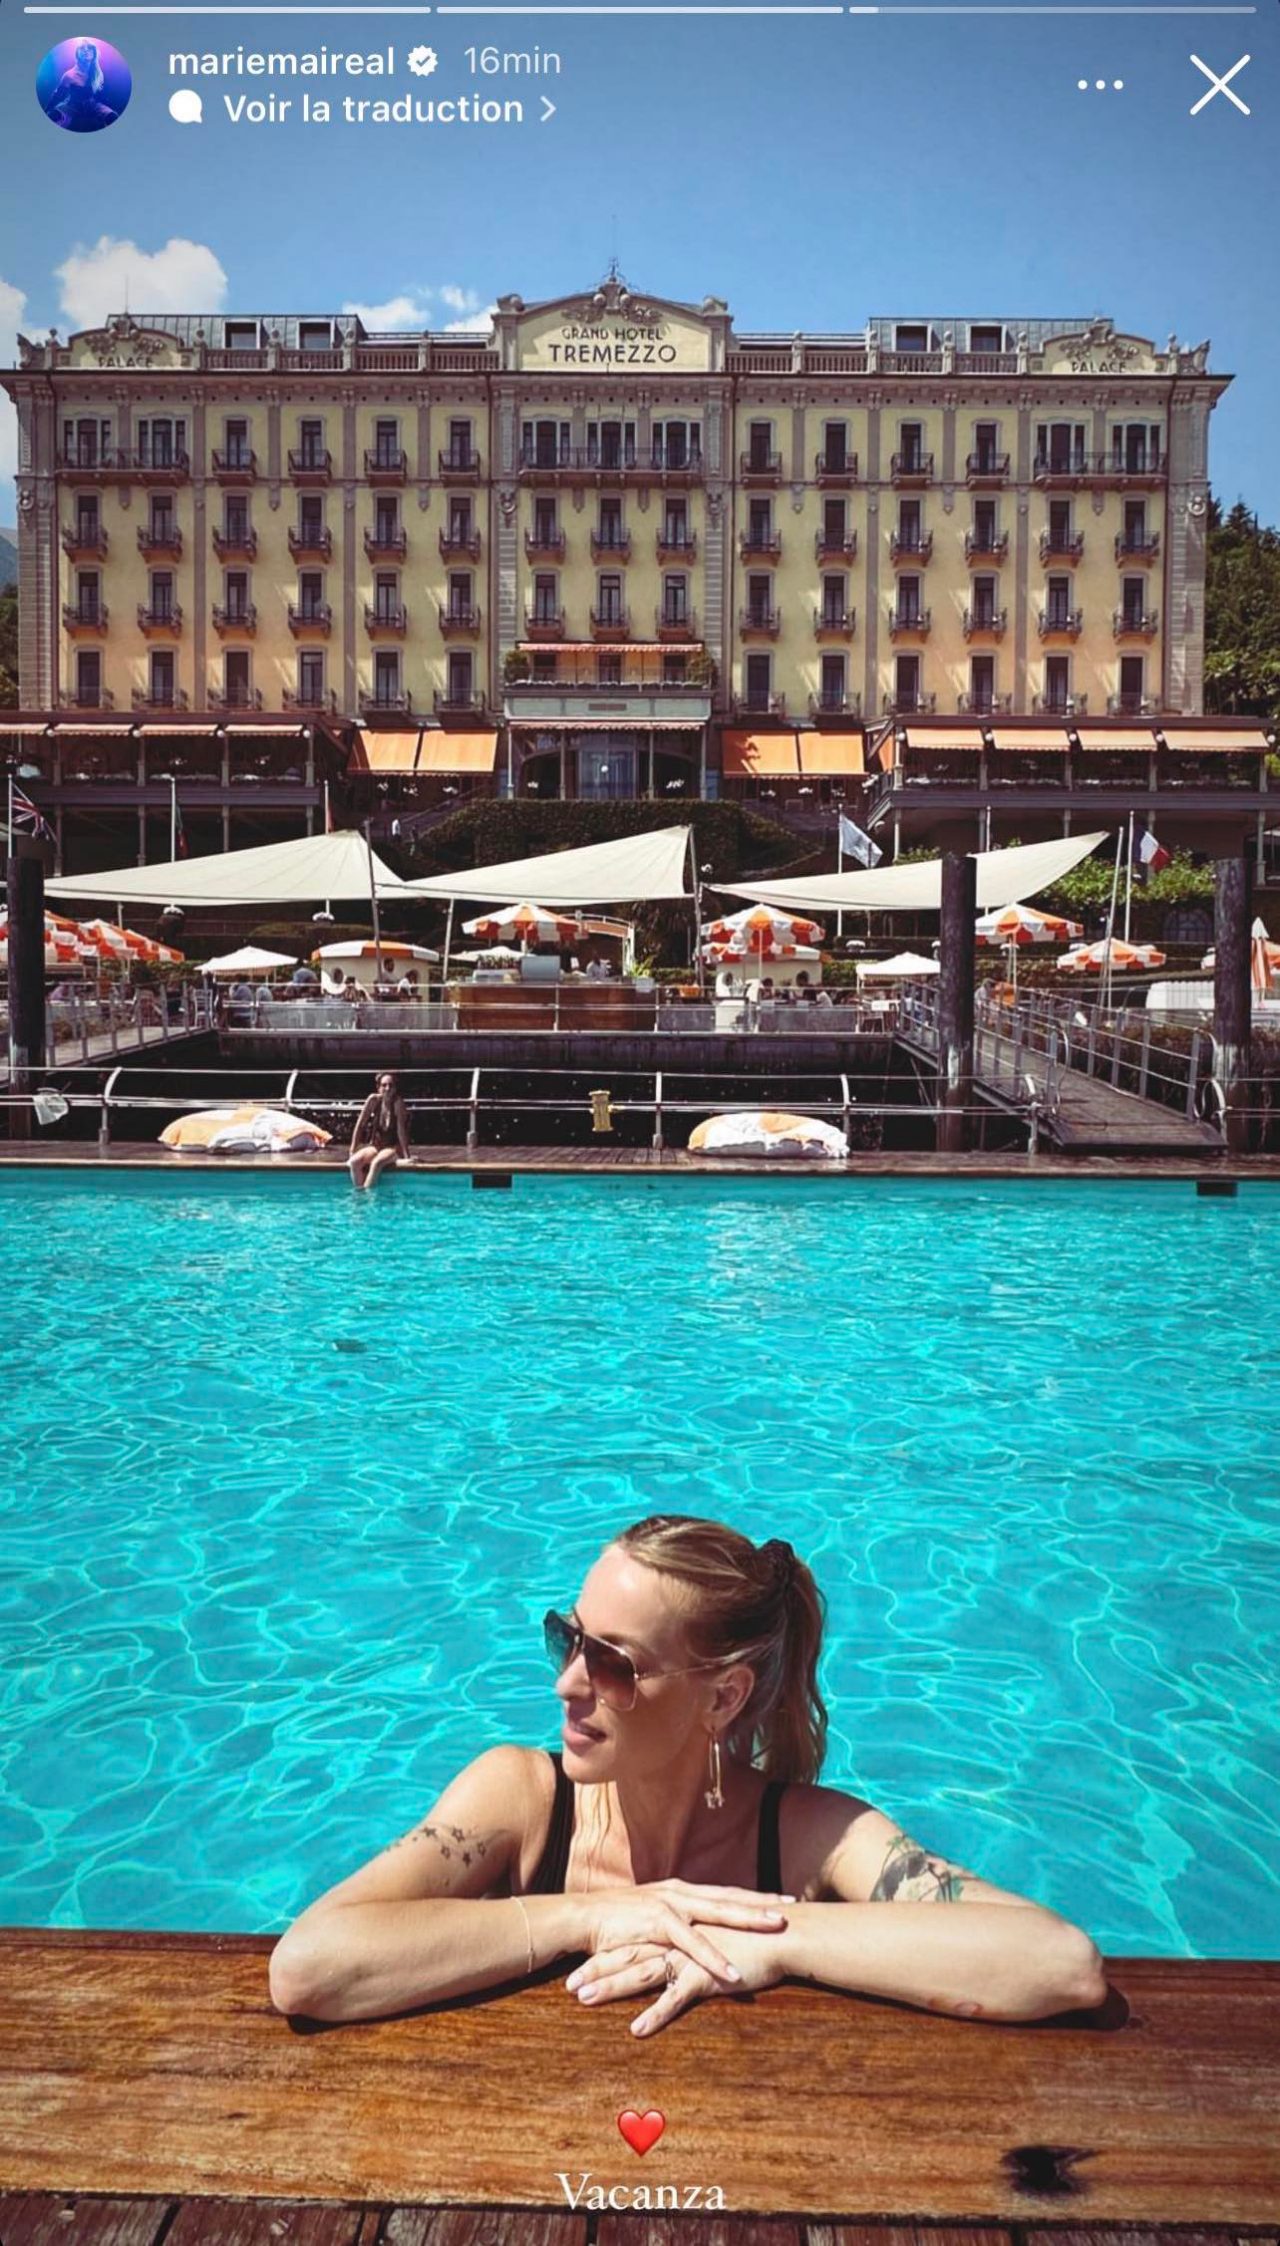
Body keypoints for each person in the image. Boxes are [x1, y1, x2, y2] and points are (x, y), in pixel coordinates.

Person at [268, 1518, 1106, 2037]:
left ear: (722, 1699)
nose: (567, 1683)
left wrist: (775, 1944)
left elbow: (1057, 1963)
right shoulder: (521, 1798)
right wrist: (592, 1917)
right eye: (569, 1638)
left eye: (612, 1663)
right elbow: (309, 1967)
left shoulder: (808, 1835)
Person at [347, 1070, 412, 1190]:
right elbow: (360, 1125)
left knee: (377, 1163)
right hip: (376, 1146)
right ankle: (359, 1195)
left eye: (391, 1085)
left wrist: (407, 1156)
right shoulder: (373, 1100)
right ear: (378, 1087)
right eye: (384, 1085)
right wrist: (352, 1150)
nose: (387, 1088)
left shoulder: (398, 1103)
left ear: (395, 1088)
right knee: (354, 1162)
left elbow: (401, 1131)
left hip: (393, 1147)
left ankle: (367, 1195)